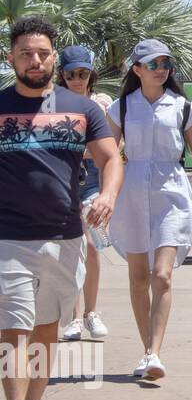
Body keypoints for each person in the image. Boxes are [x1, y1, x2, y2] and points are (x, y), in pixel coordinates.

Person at [1, 16, 122, 400]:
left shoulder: (82, 109)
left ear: (55, 56)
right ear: (11, 58)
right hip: (7, 237)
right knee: (12, 329)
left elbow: (112, 159)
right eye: (26, 53)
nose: (35, 61)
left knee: (45, 327)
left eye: (43, 53)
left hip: (65, 235)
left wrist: (107, 194)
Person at [106, 39, 192, 382]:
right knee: (139, 278)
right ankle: (147, 351)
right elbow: (107, 154)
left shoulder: (182, 107)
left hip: (172, 193)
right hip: (132, 194)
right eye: (153, 64)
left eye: (166, 63)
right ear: (137, 69)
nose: (161, 70)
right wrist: (103, 196)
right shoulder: (121, 108)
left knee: (162, 276)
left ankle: (155, 351)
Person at [57, 45, 114, 342]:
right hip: (63, 183)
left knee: (90, 246)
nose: (77, 79)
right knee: (71, 250)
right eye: (71, 74)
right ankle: (73, 316)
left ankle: (90, 312)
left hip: (91, 182)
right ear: (62, 75)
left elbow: (111, 152)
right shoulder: (53, 104)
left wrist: (108, 193)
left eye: (83, 73)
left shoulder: (101, 104)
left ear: (91, 73)